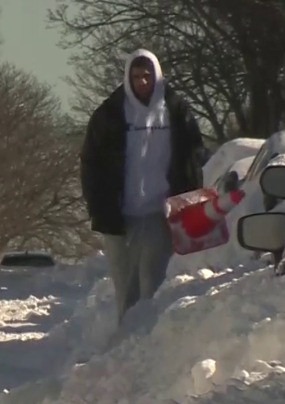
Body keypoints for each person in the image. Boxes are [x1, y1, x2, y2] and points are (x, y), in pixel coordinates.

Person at [80, 49, 208, 324]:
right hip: (119, 213)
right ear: (128, 78)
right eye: (136, 76)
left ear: (157, 76)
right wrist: (98, 206)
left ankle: (148, 337)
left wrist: (190, 199)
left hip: (160, 210)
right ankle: (125, 342)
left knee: (154, 279)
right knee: (125, 284)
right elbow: (91, 162)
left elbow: (193, 155)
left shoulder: (174, 110)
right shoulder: (111, 113)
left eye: (147, 76)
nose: (142, 82)